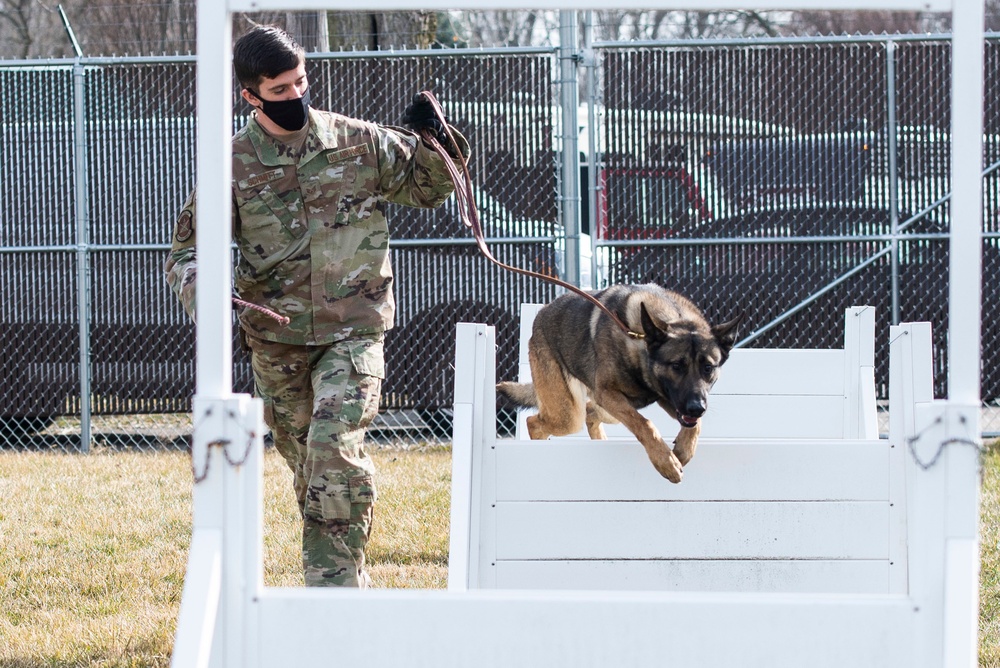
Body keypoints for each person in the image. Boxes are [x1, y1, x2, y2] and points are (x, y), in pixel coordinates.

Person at [165, 24, 469, 588]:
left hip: (353, 329)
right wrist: (205, 291)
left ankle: (335, 597)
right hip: (277, 339)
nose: (295, 97)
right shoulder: (230, 165)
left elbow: (427, 189)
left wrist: (437, 141)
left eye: (301, 82)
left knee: (334, 451)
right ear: (250, 96)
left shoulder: (359, 142)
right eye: (279, 90)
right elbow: (188, 251)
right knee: (309, 468)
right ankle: (340, 572)